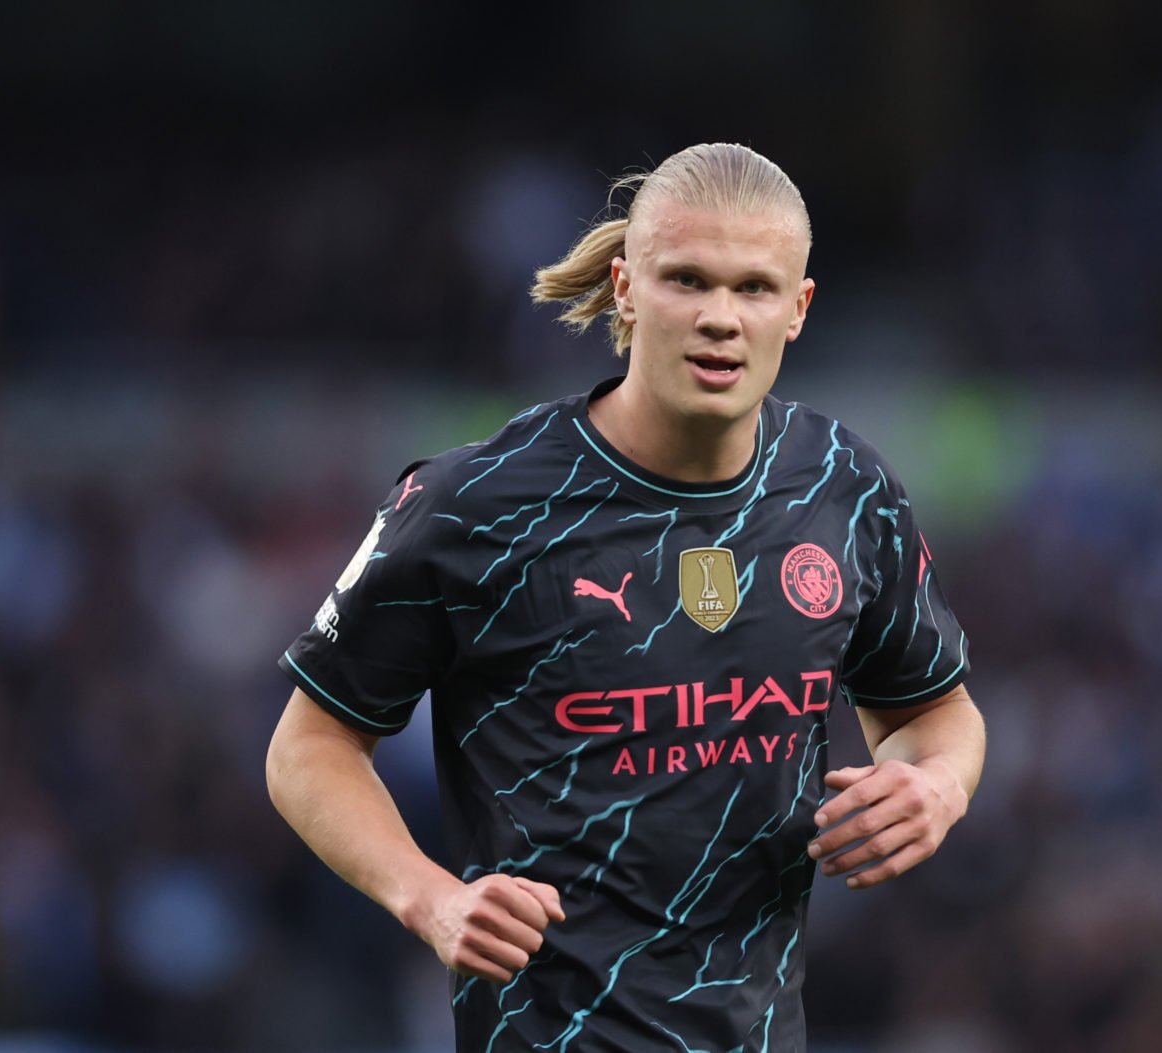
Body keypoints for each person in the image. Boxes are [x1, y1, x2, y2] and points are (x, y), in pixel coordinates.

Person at [266, 142, 986, 1053]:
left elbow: (938, 713)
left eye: (754, 289)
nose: (721, 317)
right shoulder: (472, 505)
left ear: (798, 310)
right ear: (625, 288)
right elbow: (307, 746)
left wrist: (935, 784)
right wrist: (433, 898)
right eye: (687, 279)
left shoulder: (844, 488)